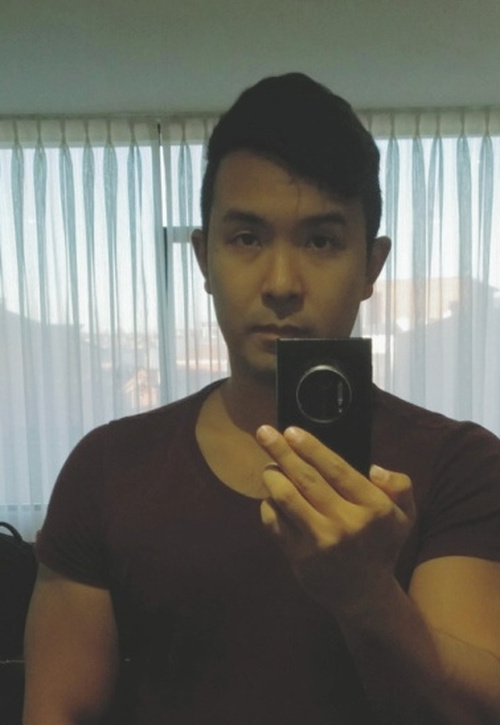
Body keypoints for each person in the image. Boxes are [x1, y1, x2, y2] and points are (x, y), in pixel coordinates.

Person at [23, 73, 500, 725]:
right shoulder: (107, 468)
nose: (280, 283)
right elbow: (56, 710)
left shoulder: (460, 466)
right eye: (247, 238)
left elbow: (475, 712)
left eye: (321, 240)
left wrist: (367, 595)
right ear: (204, 258)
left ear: (371, 266)